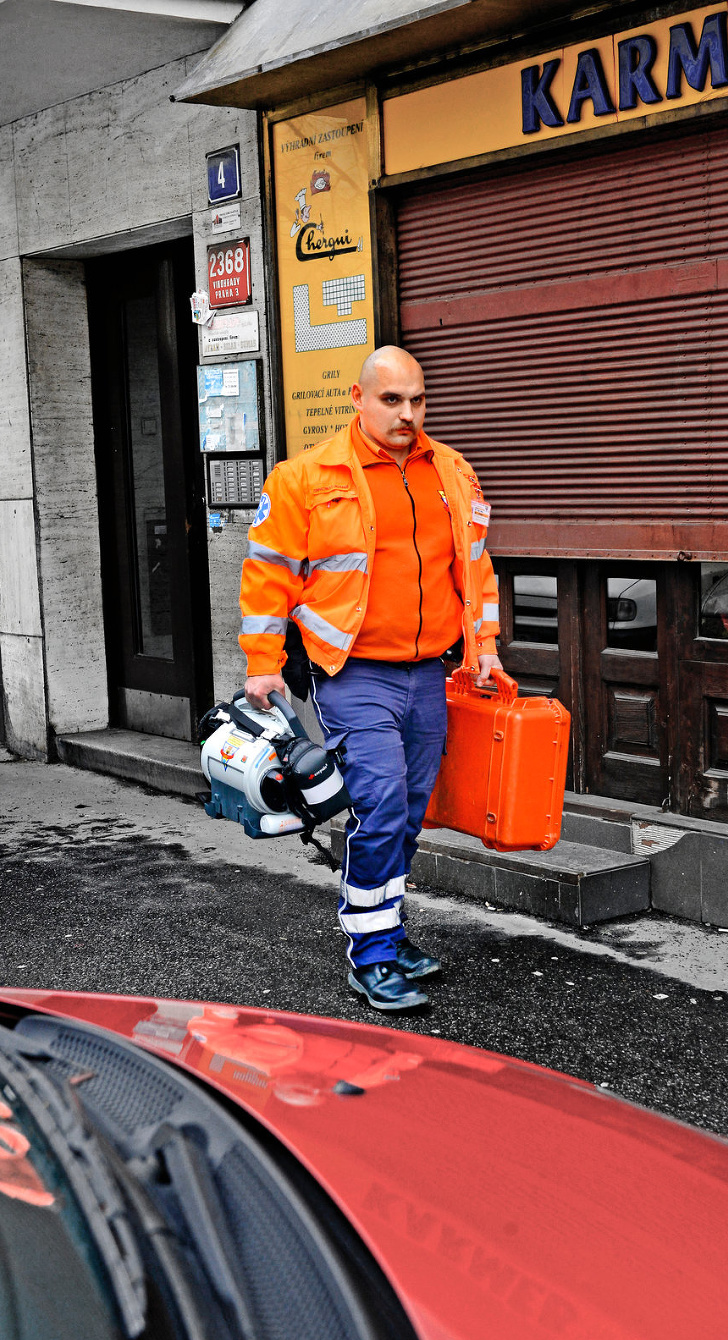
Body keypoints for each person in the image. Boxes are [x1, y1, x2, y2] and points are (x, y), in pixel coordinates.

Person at [239, 346, 503, 1012]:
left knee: (409, 813)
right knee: (381, 805)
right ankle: (372, 954)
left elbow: (477, 570)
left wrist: (487, 651)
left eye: (417, 400)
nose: (407, 413)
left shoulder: (451, 472)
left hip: (429, 677)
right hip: (353, 675)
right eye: (392, 400)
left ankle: (388, 927)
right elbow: (269, 577)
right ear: (357, 399)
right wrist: (264, 665)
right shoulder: (305, 478)